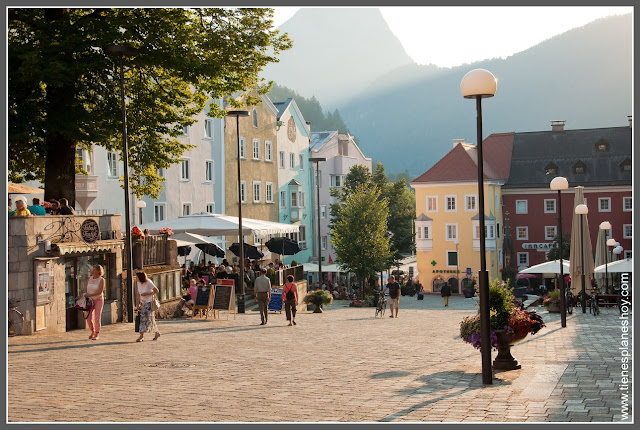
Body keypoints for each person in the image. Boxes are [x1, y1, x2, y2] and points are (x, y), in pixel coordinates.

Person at [135, 272, 160, 342]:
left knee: (143, 318)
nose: (136, 278)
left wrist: (148, 293)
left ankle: (141, 336)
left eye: (137, 277)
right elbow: (138, 294)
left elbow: (156, 290)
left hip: (149, 303)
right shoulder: (138, 283)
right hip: (143, 303)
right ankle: (156, 332)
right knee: (151, 319)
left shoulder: (148, 282)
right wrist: (138, 304)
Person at [85, 264, 105, 340]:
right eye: (92, 269)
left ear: (98, 271)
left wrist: (91, 294)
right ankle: (92, 330)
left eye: (94, 269)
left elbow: (100, 291)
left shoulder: (101, 280)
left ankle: (97, 333)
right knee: (88, 317)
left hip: (98, 299)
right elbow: (86, 288)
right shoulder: (89, 279)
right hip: (90, 300)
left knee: (97, 316)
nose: (92, 271)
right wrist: (85, 295)